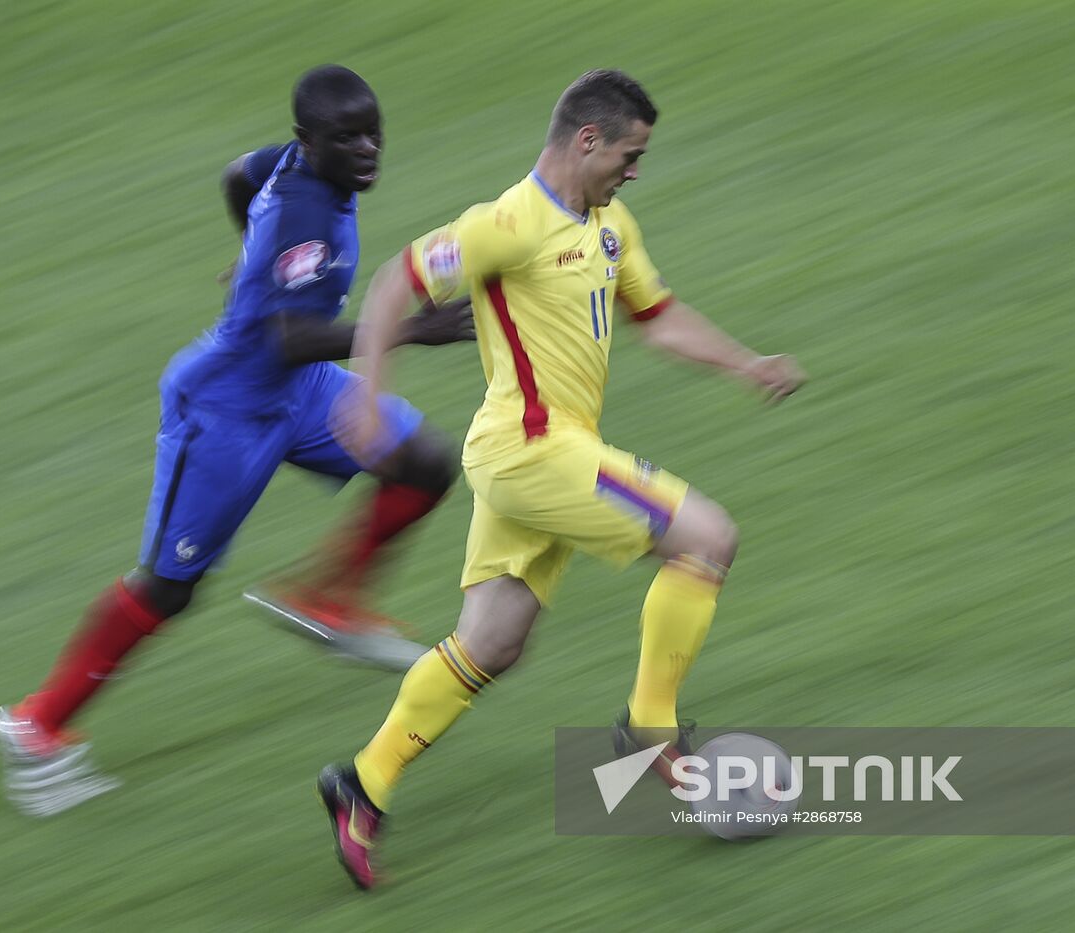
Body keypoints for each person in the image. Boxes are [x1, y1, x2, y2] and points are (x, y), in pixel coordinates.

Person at [314, 69, 806, 888]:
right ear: (588, 140)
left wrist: (746, 363)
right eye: (630, 152)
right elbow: (396, 280)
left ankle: (361, 784)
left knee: (492, 642)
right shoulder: (509, 223)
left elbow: (661, 318)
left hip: (540, 456)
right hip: (532, 453)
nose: (636, 168)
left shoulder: (611, 223)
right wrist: (366, 397)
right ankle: (650, 728)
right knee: (708, 537)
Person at [0, 64, 473, 817]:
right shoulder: (308, 212)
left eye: (374, 131)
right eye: (348, 139)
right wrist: (415, 326)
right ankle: (36, 724)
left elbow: (236, 177)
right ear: (309, 143)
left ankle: (329, 599)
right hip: (226, 410)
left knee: (425, 463)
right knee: (169, 586)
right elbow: (290, 337)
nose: (369, 149)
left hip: (295, 391)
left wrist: (252, 255)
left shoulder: (288, 164)